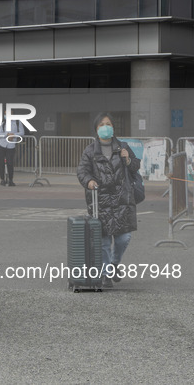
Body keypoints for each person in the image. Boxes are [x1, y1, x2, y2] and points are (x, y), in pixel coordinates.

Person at [77, 113, 140, 288]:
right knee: (104, 240)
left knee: (123, 238)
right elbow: (82, 171)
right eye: (102, 125)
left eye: (109, 124)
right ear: (97, 130)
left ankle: (114, 264)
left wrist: (127, 159)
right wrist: (88, 181)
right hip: (100, 200)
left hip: (122, 199)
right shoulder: (90, 150)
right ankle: (105, 274)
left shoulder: (123, 147)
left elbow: (135, 167)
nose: (106, 127)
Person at [0, 118, 24, 186]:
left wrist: (13, 134)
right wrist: (7, 134)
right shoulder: (3, 123)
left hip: (11, 145)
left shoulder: (18, 122)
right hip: (2, 144)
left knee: (10, 162)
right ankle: (2, 179)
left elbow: (22, 132)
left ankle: (10, 180)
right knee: (1, 162)